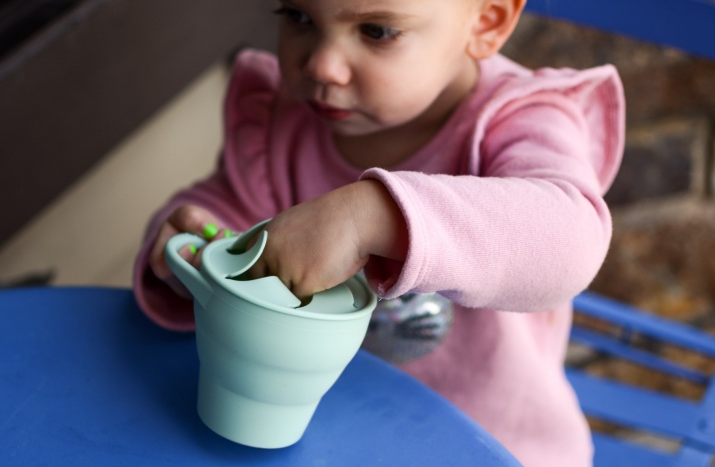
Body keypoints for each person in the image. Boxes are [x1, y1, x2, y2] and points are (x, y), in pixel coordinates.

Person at [133, 0, 625, 465]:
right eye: (299, 15)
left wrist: (369, 217)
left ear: (486, 22)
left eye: (376, 30)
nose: (322, 65)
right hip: (320, 433)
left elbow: (569, 239)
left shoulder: (518, 120)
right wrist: (193, 243)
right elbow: (237, 225)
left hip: (490, 442)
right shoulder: (282, 120)